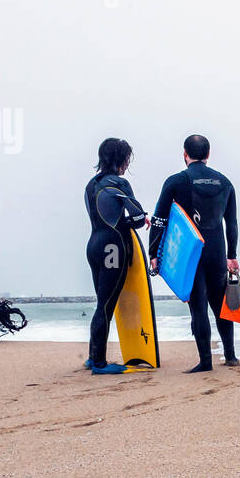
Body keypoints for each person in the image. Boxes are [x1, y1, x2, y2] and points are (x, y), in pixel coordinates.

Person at [149, 134, 240, 372]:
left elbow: (159, 220)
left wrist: (153, 253)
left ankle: (206, 361)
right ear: (208, 155)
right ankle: (230, 356)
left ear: (185, 155)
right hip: (218, 250)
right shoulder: (225, 183)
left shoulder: (175, 182)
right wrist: (232, 255)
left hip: (191, 251)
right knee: (221, 305)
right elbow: (232, 224)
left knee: (198, 305)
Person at [84, 138, 149, 374]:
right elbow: (139, 218)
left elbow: (102, 215)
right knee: (105, 304)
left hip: (93, 245)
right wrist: (139, 219)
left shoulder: (91, 184)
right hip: (114, 248)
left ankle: (93, 357)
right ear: (122, 159)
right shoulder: (120, 183)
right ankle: (99, 364)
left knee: (102, 303)